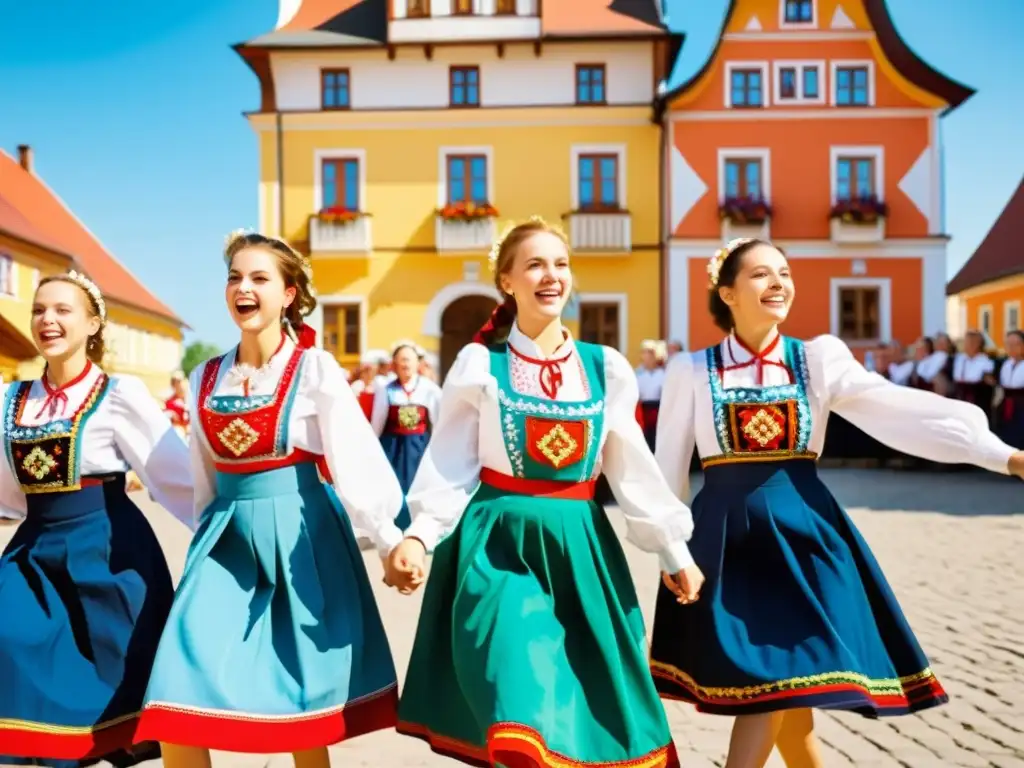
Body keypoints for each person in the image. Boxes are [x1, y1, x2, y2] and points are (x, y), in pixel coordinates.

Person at [649, 238, 1024, 768]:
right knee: (785, 691)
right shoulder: (692, 370)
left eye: (784, 271)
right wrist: (672, 551)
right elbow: (667, 472)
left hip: (806, 537)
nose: (778, 282)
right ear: (727, 293)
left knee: (783, 680)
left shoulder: (817, 359)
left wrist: (1004, 456)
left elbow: (898, 410)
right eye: (760, 274)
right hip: (727, 543)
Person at [385, 217, 702, 768]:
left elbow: (630, 468)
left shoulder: (606, 369)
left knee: (581, 712)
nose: (550, 275)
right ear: (507, 281)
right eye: (534, 264)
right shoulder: (482, 364)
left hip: (579, 549)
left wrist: (674, 550)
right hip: (496, 549)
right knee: (516, 696)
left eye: (560, 264)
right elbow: (451, 460)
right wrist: (418, 535)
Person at [134, 231, 405, 768]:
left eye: (260, 277)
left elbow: (355, 458)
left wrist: (394, 537)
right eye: (235, 276)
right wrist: (206, 535)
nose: (243, 286)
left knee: (300, 701)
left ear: (289, 294)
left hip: (303, 539)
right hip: (226, 540)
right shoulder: (205, 376)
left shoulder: (314, 370)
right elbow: (203, 473)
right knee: (174, 686)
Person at [0, 270, 193, 767]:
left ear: (92, 324)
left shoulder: (118, 394)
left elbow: (173, 476)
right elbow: (8, 492)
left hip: (109, 557)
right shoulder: (11, 401)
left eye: (63, 310)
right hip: (35, 555)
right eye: (40, 310)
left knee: (118, 680)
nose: (48, 320)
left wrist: (223, 535)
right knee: (10, 638)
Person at [371, 340, 441, 529]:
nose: (405, 364)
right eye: (400, 360)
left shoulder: (430, 389)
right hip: (393, 447)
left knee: (420, 487)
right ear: (394, 365)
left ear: (418, 363)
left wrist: (437, 449)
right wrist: (372, 448)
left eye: (408, 359)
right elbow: (377, 422)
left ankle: (419, 528)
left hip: (419, 447)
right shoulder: (386, 389)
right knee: (395, 488)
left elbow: (438, 423)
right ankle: (399, 526)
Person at [636, 339, 666, 451]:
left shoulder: (663, 374)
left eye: (649, 353)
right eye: (644, 353)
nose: (646, 356)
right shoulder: (638, 373)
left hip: (658, 410)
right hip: (642, 410)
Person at [996, 330, 1024, 448]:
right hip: (1008, 408)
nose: (1012, 348)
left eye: (1015, 344)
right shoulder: (1006, 364)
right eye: (1008, 344)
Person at [164, 370, 190, 439]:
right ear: (173, 385)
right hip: (181, 433)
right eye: (176, 382)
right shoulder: (170, 402)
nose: (180, 385)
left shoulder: (192, 398)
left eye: (180, 381)